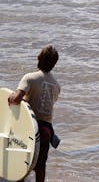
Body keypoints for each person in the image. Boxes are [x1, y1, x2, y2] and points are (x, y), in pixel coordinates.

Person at [8, 45, 61, 182]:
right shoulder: (56, 85)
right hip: (46, 130)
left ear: (38, 58)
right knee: (40, 166)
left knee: (21, 161)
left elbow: (16, 99)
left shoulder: (30, 78)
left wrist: (10, 97)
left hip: (30, 127)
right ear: (54, 64)